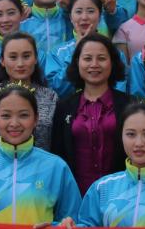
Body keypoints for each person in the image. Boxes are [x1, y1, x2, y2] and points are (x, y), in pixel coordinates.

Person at [0, 85, 81, 225]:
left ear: (36, 119)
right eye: (6, 116)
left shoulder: (56, 167)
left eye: (23, 115)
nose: (14, 123)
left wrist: (59, 226)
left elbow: (73, 221)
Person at [50, 33, 132, 194]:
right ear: (77, 63)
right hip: (74, 194)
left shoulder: (130, 105)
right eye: (87, 59)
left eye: (101, 58)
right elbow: (57, 154)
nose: (94, 64)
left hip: (121, 194)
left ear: (112, 62)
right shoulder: (63, 107)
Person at [0, 33, 58, 156]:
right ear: (2, 60)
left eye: (26, 56)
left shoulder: (50, 97)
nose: (20, 64)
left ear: (36, 58)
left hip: (40, 166)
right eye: (13, 57)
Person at [45, 0, 128, 97]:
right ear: (70, 17)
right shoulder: (57, 52)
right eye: (78, 12)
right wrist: (75, 53)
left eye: (90, 11)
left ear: (100, 16)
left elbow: (119, 90)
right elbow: (55, 89)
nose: (84, 17)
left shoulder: (114, 52)